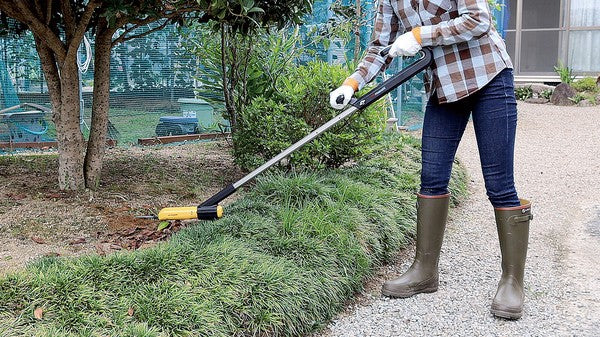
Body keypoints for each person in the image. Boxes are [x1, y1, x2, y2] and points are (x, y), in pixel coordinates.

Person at [329, 0, 533, 320]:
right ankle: (425, 270)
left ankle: (512, 282)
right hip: (445, 89)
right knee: (432, 178)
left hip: (488, 77)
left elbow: (478, 20)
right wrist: (352, 83)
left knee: (499, 185)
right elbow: (380, 46)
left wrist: (421, 35)